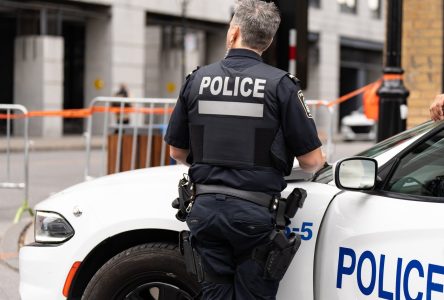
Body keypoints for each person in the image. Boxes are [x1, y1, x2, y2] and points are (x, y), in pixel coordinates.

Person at [165, 0, 325, 299]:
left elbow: (177, 152)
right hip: (254, 216)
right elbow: (312, 161)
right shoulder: (282, 85)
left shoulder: (197, 80)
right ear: (269, 39)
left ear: (233, 32)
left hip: (204, 212)